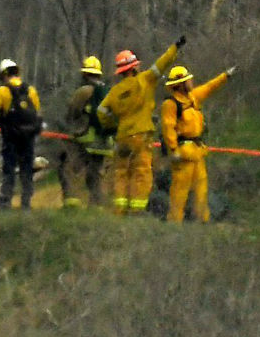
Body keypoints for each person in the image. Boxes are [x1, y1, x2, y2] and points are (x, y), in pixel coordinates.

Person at [96, 37, 183, 216]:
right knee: (141, 173)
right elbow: (161, 64)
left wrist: (114, 125)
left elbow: (101, 111)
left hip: (122, 138)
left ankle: (119, 211)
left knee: (121, 173)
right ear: (134, 67)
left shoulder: (115, 91)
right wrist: (175, 48)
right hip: (141, 137)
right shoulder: (145, 80)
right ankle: (137, 211)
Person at [161, 64, 236, 223]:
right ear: (180, 84)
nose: (191, 82)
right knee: (179, 191)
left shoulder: (193, 97)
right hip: (183, 153)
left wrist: (225, 76)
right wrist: (173, 150)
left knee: (201, 189)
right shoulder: (171, 104)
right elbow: (168, 128)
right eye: (188, 80)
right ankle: (174, 221)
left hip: (197, 151)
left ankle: (202, 220)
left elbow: (209, 87)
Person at [0, 58, 42, 210]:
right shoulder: (31, 90)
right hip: (28, 137)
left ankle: (6, 203)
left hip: (10, 137)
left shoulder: (2, 91)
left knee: (9, 170)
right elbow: (37, 112)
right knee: (27, 170)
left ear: (4, 74)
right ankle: (26, 204)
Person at [59, 56, 111, 208]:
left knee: (67, 168)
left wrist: (71, 126)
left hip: (85, 139)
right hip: (103, 142)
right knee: (95, 174)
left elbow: (73, 112)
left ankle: (71, 202)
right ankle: (97, 206)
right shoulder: (107, 91)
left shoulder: (83, 91)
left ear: (85, 74)